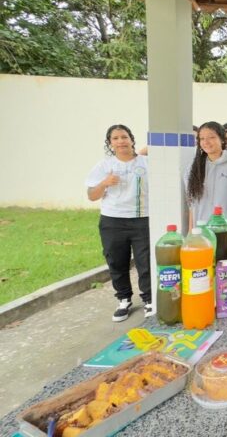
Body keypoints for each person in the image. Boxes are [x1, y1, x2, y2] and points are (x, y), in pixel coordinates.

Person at [86, 124, 151, 321]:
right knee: (116, 260)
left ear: (131, 139)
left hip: (142, 218)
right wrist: (104, 183)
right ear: (110, 143)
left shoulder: (146, 163)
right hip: (112, 220)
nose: (121, 141)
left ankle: (149, 299)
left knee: (145, 261)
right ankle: (123, 299)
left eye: (124, 137)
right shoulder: (104, 166)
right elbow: (91, 195)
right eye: (115, 138)